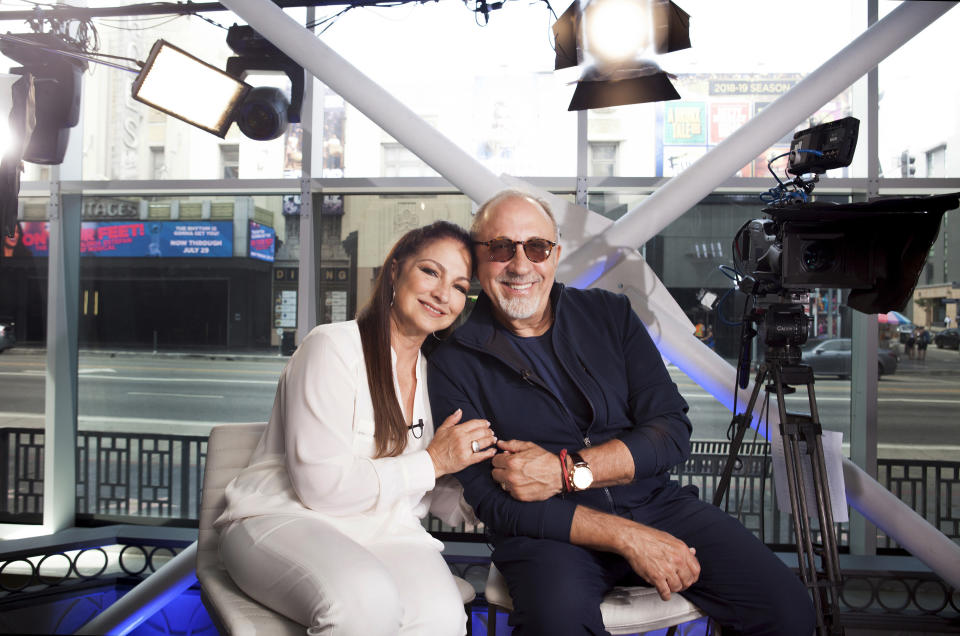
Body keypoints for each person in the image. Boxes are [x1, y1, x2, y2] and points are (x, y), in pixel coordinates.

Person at [428, 191, 815, 636]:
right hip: (548, 535)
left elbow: (671, 432)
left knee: (788, 612)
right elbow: (495, 505)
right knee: (557, 624)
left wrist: (566, 472)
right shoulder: (452, 362)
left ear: (554, 256)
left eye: (536, 247)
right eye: (500, 248)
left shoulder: (610, 314)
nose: (520, 265)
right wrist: (625, 535)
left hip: (658, 506)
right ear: (477, 260)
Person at [215, 221, 496, 635]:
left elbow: (432, 493)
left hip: (385, 531)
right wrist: (434, 461)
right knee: (364, 601)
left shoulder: (435, 376)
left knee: (443, 616)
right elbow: (320, 489)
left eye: (459, 286)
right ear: (396, 270)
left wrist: (488, 498)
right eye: (431, 272)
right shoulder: (330, 347)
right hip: (285, 518)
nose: (442, 294)